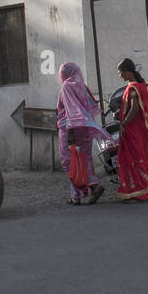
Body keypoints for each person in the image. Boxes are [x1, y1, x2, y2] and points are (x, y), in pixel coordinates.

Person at [55, 62, 107, 205]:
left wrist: (71, 133)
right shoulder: (82, 86)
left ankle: (93, 185)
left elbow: (71, 110)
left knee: (70, 162)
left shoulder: (66, 87)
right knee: (84, 160)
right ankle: (76, 196)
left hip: (70, 129)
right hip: (84, 128)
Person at [115, 58, 148, 200]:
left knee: (135, 159)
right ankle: (146, 187)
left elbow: (135, 108)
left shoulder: (133, 87)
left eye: (120, 73)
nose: (120, 76)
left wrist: (124, 123)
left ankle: (141, 192)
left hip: (134, 130)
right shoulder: (140, 84)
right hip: (140, 129)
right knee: (140, 158)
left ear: (127, 72)